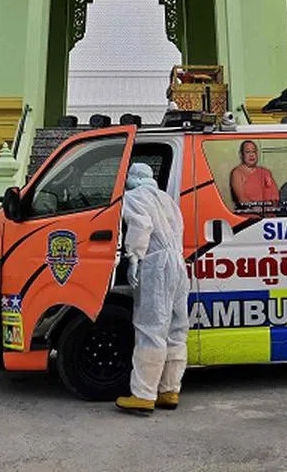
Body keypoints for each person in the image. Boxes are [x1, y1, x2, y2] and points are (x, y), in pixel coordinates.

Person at [115, 163, 189, 416]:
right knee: (176, 329)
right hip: (179, 263)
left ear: (134, 178)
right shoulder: (167, 199)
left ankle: (144, 394)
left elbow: (140, 225)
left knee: (151, 328)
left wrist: (133, 257)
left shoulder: (135, 197)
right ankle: (169, 390)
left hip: (156, 263)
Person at [229, 140, 279, 213]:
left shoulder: (265, 172)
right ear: (241, 154)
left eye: (254, 152)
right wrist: (258, 210)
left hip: (268, 216)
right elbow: (242, 199)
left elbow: (274, 196)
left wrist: (270, 208)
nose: (251, 155)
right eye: (248, 152)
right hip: (248, 217)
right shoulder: (237, 173)